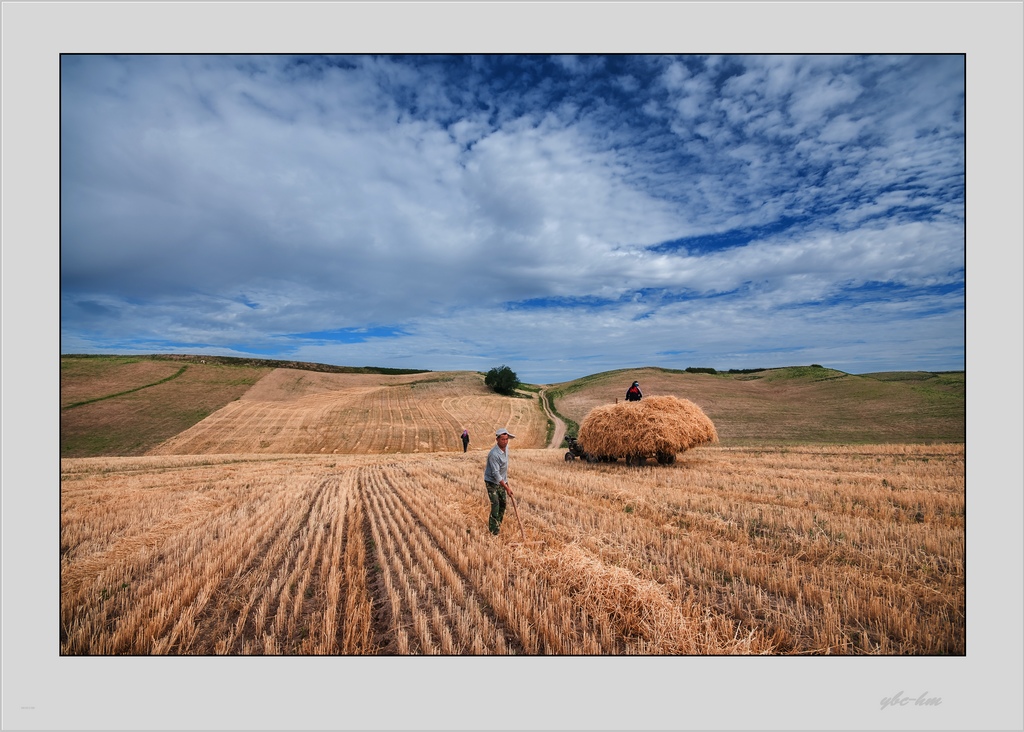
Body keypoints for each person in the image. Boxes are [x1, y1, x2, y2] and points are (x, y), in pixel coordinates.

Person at [483, 428, 515, 536]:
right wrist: (507, 488)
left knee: (503, 504)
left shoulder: (506, 449)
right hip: (491, 482)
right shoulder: (494, 454)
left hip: (502, 481)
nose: (505, 442)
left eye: (506, 439)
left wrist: (506, 481)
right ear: (497, 440)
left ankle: (498, 525)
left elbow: (504, 468)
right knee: (495, 504)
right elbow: (496, 474)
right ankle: (493, 532)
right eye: (502, 439)